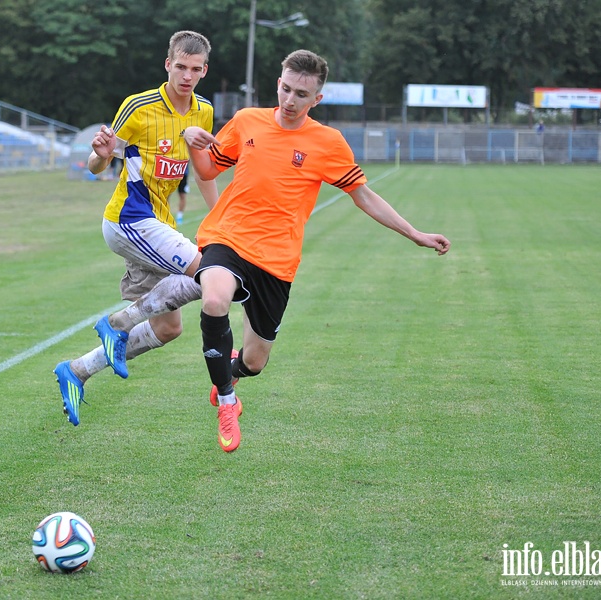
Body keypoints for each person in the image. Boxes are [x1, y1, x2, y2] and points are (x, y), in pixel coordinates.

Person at [183, 49, 451, 452]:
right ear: (278, 84)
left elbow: (363, 196)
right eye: (286, 89)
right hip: (228, 236)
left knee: (255, 362)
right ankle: (226, 400)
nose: (290, 101)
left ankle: (233, 371)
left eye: (301, 95)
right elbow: (207, 170)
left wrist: (413, 233)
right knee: (215, 299)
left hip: (276, 261)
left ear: (317, 99)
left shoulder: (327, 142)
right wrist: (191, 141)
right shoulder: (247, 121)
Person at [53, 30, 219, 426]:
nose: (187, 75)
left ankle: (76, 371)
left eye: (195, 69)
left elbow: (202, 174)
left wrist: (220, 219)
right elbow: (100, 164)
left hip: (157, 226)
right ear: (168, 64)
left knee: (167, 328)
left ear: (204, 71)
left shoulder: (204, 111)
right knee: (209, 272)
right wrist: (99, 155)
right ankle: (116, 324)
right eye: (180, 66)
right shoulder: (139, 107)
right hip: (128, 220)